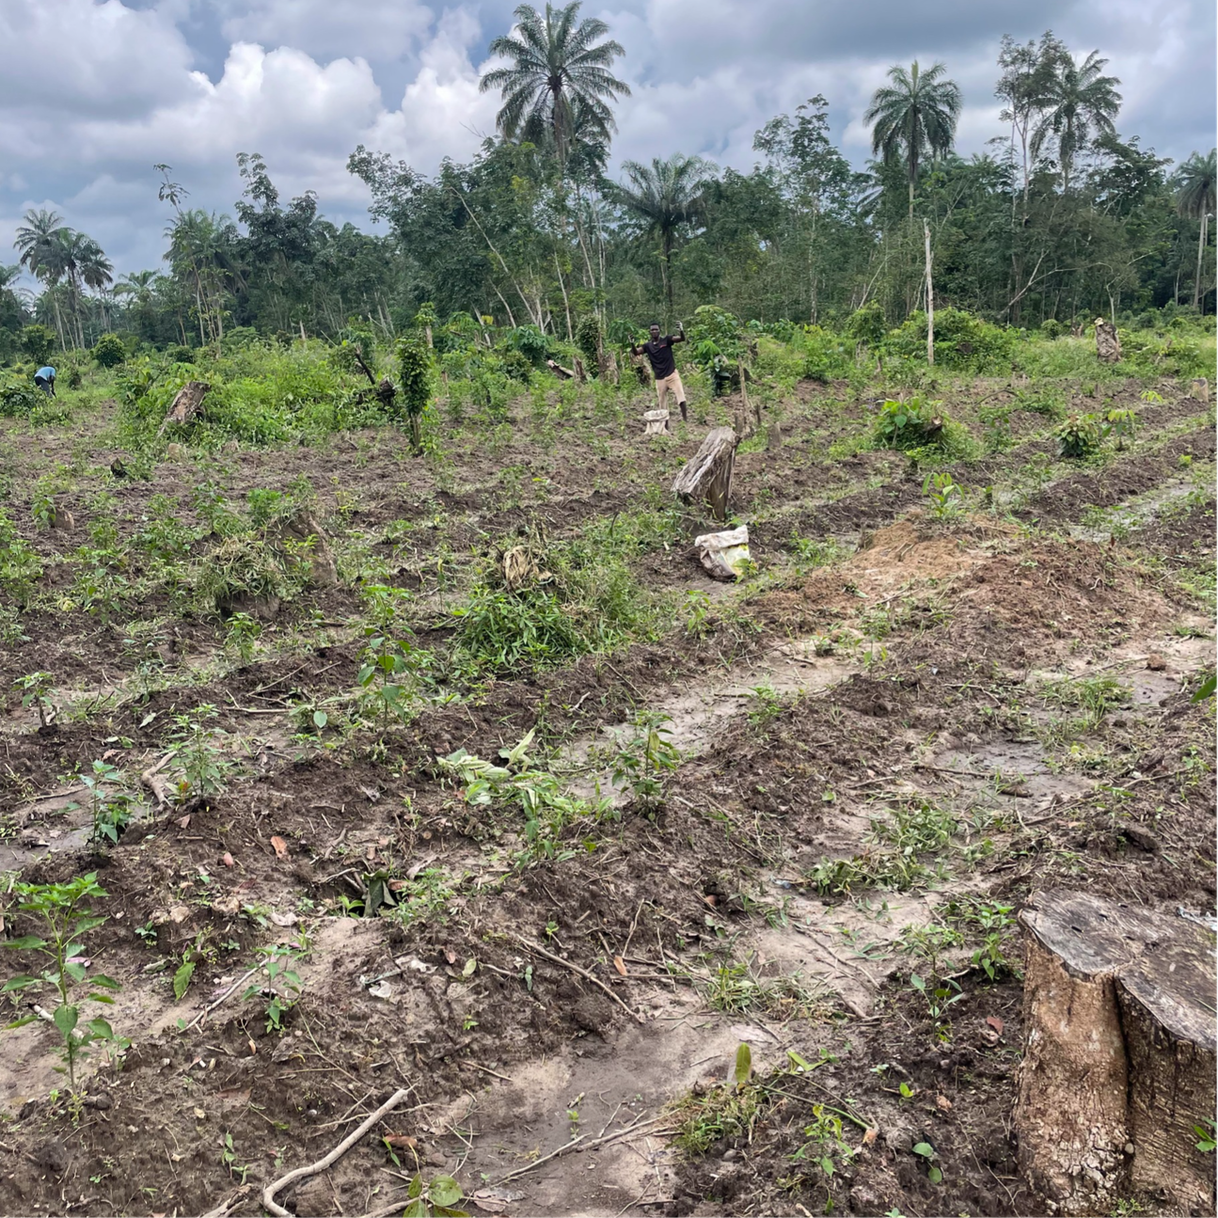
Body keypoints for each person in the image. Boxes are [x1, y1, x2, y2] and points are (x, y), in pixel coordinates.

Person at [631, 323, 687, 422]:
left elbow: (681, 339)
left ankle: (685, 420)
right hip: (660, 378)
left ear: (659, 331)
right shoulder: (648, 346)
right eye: (652, 330)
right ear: (650, 332)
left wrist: (681, 330)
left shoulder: (666, 340)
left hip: (672, 374)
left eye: (656, 329)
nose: (654, 331)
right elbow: (636, 352)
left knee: (681, 396)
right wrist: (631, 343)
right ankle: (665, 425)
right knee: (662, 404)